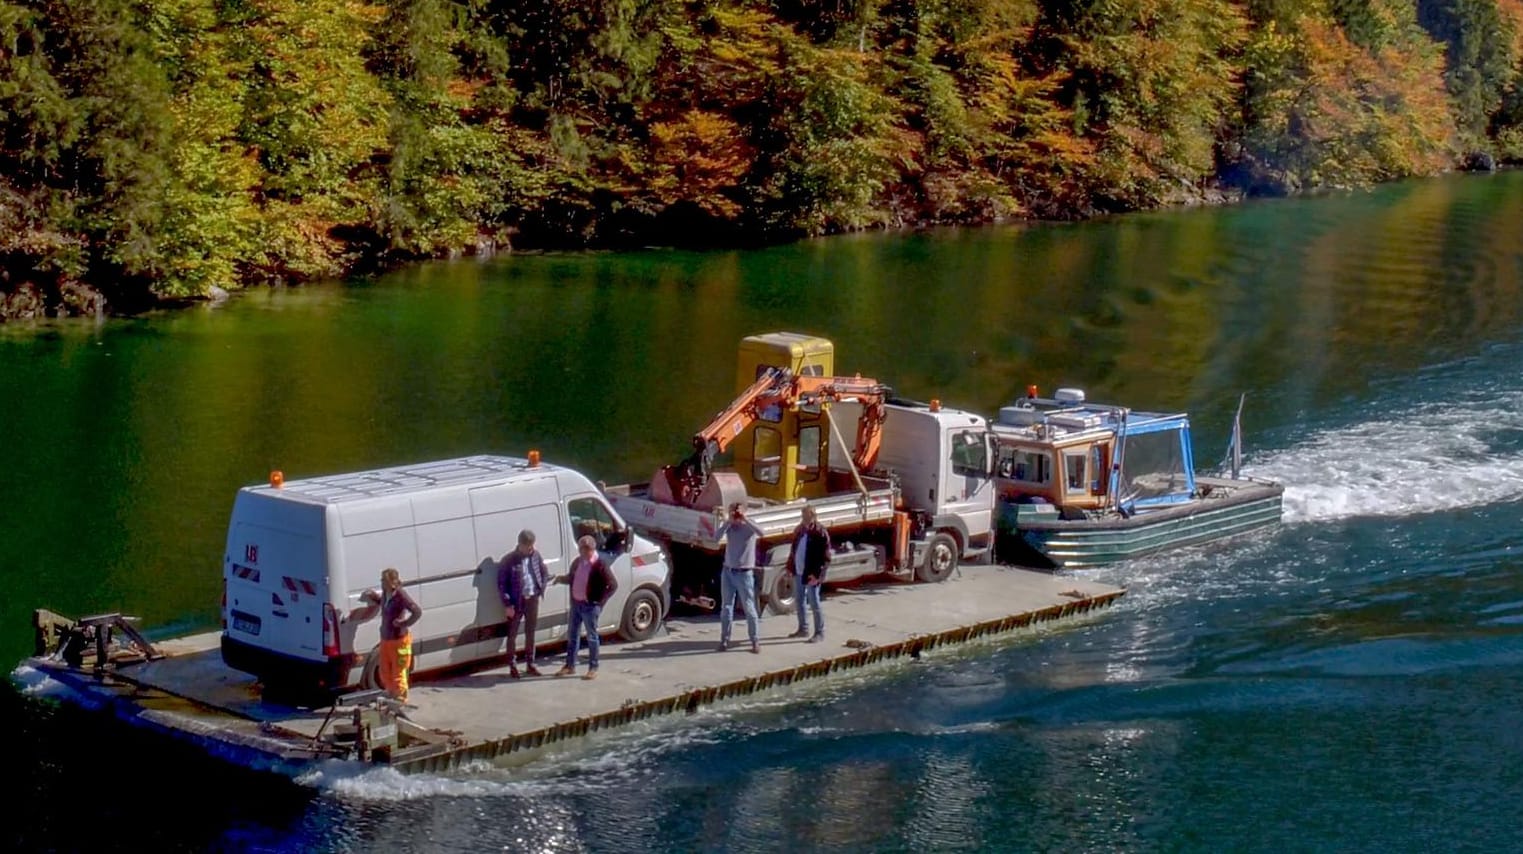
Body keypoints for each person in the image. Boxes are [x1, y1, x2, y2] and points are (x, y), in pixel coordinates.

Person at [556, 535, 618, 680]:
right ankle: (570, 665)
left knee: (592, 637)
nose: (584, 553)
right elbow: (572, 578)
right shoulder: (578, 562)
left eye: (587, 550)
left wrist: (599, 603)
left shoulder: (599, 565)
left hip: (590, 606)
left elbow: (613, 585)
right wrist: (560, 579)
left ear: (592, 549)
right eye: (582, 549)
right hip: (576, 604)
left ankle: (593, 667)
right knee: (572, 636)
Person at [357, 568, 423, 702]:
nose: (381, 582)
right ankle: (391, 694)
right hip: (386, 639)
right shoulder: (386, 594)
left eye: (384, 580)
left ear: (392, 582)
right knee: (384, 671)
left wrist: (404, 623)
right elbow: (382, 601)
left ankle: (400, 699)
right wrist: (373, 596)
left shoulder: (401, 595)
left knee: (398, 673)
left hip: (399, 640)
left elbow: (417, 611)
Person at [497, 529, 550, 678]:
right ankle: (512, 665)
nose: (531, 549)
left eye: (532, 546)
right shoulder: (509, 560)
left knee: (531, 632)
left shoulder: (536, 556)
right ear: (520, 545)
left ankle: (530, 663)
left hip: (532, 599)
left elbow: (544, 572)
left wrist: (541, 588)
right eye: (528, 546)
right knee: (512, 634)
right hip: (516, 601)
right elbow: (502, 584)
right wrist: (507, 604)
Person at [714, 502, 763, 654]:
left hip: (744, 573)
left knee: (749, 608)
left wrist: (745, 519)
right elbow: (715, 537)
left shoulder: (749, 526)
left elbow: (761, 533)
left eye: (736, 513)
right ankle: (724, 640)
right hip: (728, 571)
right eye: (733, 513)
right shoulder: (729, 526)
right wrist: (728, 521)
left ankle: (755, 641)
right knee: (726, 607)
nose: (735, 516)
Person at [785, 506, 831, 642]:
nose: (804, 518)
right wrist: (790, 567)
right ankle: (803, 629)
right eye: (802, 515)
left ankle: (819, 632)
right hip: (799, 571)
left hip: (812, 574)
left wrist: (817, 575)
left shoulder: (820, 532)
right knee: (799, 601)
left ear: (813, 515)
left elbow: (825, 557)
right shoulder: (800, 531)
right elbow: (794, 550)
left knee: (814, 602)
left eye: (806, 515)